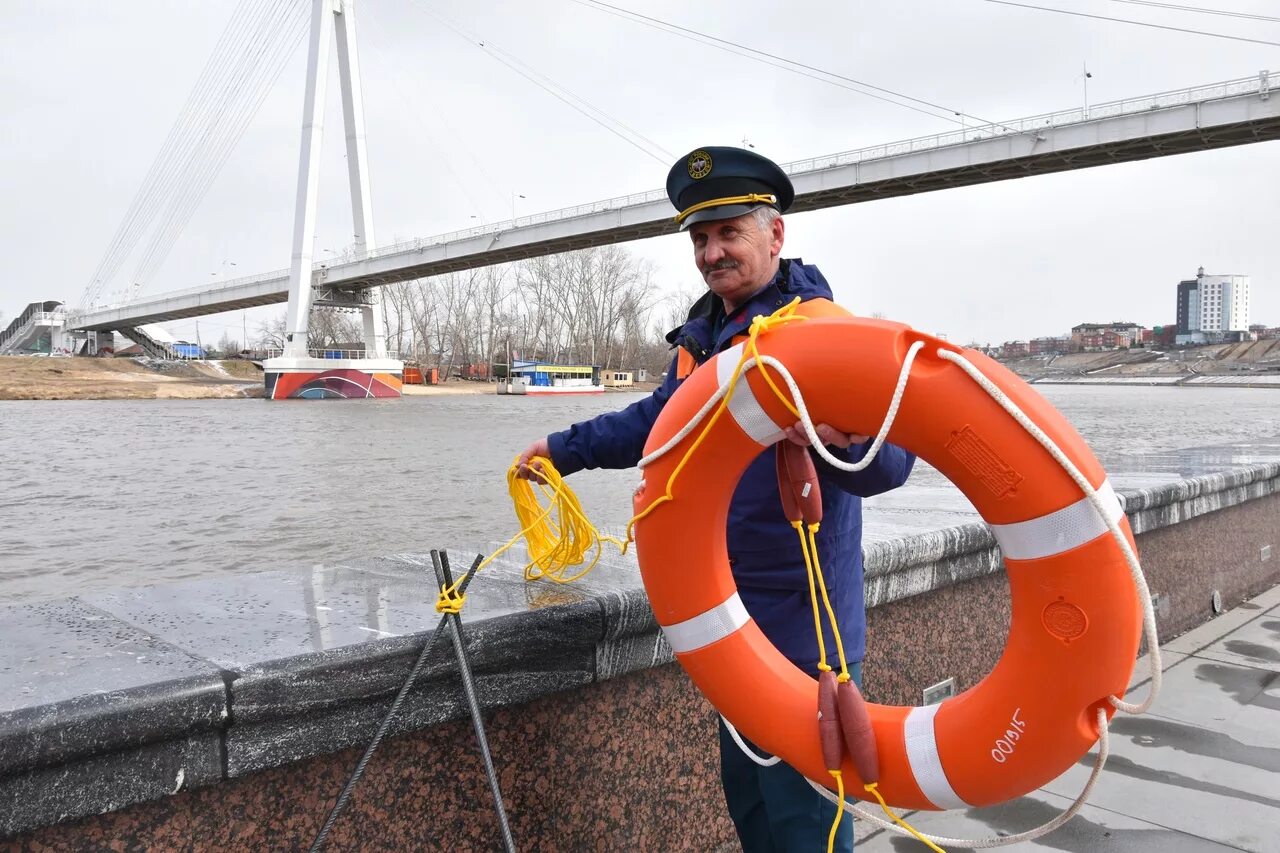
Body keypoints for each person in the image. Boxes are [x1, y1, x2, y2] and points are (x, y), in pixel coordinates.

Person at [516, 146, 915, 852]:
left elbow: (890, 462)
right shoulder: (704, 340)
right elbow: (657, 425)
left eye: (729, 232)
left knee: (806, 827)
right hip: (726, 622)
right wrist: (563, 449)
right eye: (701, 238)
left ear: (776, 236)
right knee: (753, 813)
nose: (711, 252)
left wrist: (839, 439)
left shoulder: (822, 329)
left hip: (804, 635)